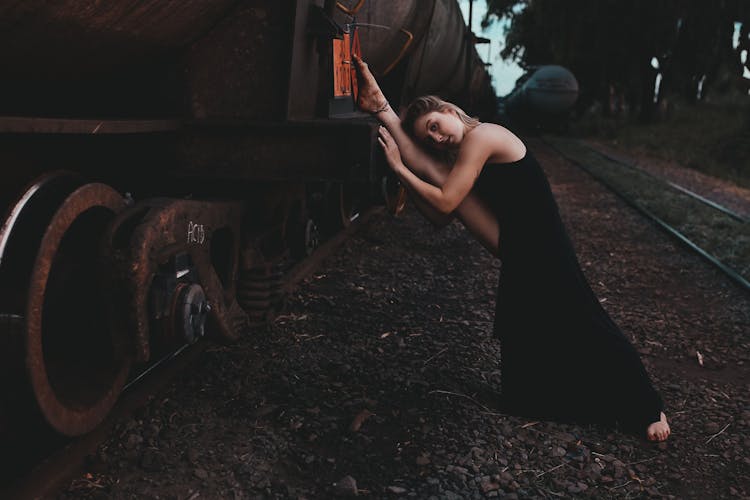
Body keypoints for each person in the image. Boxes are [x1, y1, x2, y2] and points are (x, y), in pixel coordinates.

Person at [353, 55, 670, 442]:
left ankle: (649, 406)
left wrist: (400, 170)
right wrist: (394, 132)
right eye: (428, 136)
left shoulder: (483, 136)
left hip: (543, 245)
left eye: (435, 126)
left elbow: (446, 204)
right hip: (517, 242)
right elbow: (437, 210)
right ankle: (380, 105)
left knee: (585, 319)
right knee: (522, 374)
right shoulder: (459, 151)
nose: (435, 137)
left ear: (451, 110)